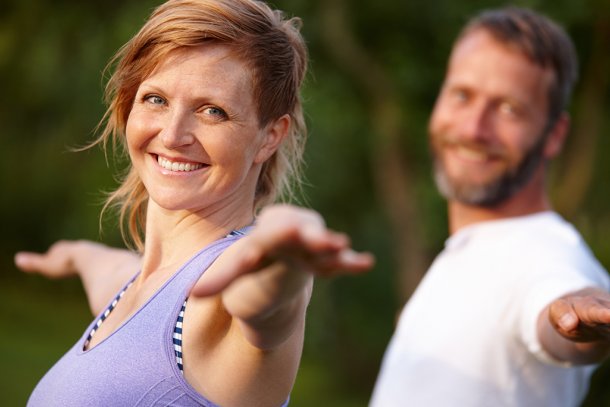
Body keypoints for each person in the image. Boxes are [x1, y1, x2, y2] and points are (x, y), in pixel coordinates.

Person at [14, 1, 374, 406]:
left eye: (212, 111)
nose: (172, 134)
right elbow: (110, 268)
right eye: (156, 99)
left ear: (270, 136)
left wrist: (284, 258)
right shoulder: (135, 287)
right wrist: (74, 255)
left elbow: (264, 301)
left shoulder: (224, 295)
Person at [370, 7, 610, 407]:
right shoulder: (469, 251)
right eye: (462, 95)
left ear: (555, 135)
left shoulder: (548, 255)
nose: (472, 129)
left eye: (509, 109)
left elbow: (559, 309)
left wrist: (576, 318)